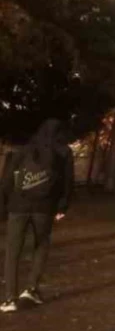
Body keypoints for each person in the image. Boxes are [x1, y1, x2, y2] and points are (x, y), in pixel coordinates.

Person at [1, 118, 74, 312]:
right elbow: (67, 182)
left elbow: (7, 179)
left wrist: (4, 206)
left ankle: (10, 298)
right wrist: (62, 207)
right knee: (41, 245)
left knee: (12, 250)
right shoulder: (64, 152)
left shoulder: (24, 149)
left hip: (18, 206)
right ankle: (31, 289)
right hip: (45, 208)